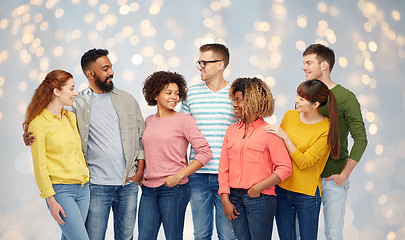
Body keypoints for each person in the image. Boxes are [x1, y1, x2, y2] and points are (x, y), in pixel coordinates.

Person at [23, 49, 145, 240]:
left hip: (107, 185)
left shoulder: (73, 115)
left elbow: (140, 134)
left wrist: (140, 169)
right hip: (87, 186)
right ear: (90, 73)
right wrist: (29, 135)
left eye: (111, 67)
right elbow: (41, 153)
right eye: (106, 68)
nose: (111, 72)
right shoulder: (75, 106)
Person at [302, 44, 368, 240]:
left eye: (308, 63)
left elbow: (361, 139)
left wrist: (343, 175)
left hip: (333, 180)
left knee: (333, 235)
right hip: (306, 180)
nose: (304, 67)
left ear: (324, 65)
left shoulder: (346, 98)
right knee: (300, 235)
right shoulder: (304, 95)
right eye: (303, 63)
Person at [138, 71, 212, 240]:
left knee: (173, 237)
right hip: (149, 190)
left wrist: (178, 176)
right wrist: (142, 175)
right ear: (155, 94)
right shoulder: (149, 120)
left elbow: (205, 152)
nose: (174, 97)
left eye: (177, 93)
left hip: (174, 188)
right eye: (168, 92)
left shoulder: (184, 120)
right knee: (144, 236)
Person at [218, 77, 292, 240]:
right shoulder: (231, 131)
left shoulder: (269, 132)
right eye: (234, 100)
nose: (234, 104)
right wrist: (225, 199)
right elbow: (223, 168)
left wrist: (258, 188)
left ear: (253, 101)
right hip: (234, 199)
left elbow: (285, 168)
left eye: (238, 100)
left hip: (260, 199)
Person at [265, 79, 340, 240]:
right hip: (282, 188)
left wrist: (285, 136)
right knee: (286, 237)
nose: (296, 101)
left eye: (302, 99)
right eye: (297, 96)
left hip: (306, 194)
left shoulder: (325, 129)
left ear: (316, 104)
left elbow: (304, 162)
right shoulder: (290, 115)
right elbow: (279, 151)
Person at [23, 69, 90, 240]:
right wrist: (50, 201)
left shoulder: (70, 117)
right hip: (61, 192)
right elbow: (39, 167)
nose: (75, 93)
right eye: (71, 88)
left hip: (83, 189)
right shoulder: (38, 124)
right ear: (57, 91)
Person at [180, 43, 237, 240]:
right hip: (198, 176)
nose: (200, 67)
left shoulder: (236, 94)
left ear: (220, 64)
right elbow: (182, 136)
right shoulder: (190, 94)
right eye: (199, 62)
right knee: (201, 234)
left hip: (228, 175)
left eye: (204, 62)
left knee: (228, 235)